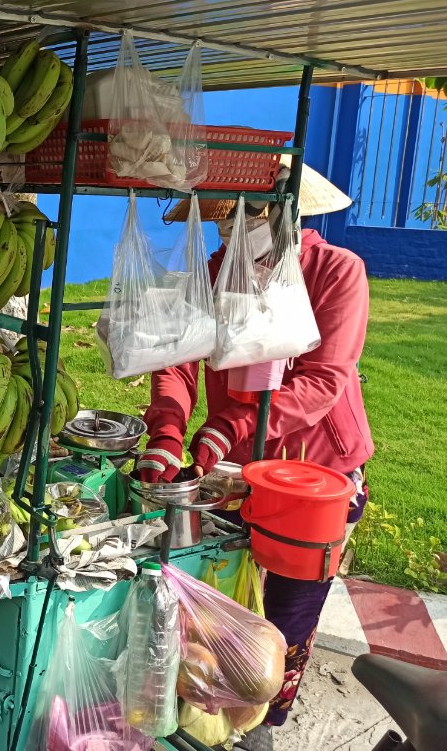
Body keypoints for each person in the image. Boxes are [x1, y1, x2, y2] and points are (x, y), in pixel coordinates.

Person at [137, 160, 373, 751]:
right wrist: (168, 430)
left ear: (280, 213)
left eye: (244, 216)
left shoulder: (337, 272)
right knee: (223, 596)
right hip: (230, 469)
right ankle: (216, 706)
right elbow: (177, 361)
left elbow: (324, 380)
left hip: (316, 472)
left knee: (290, 614)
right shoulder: (215, 272)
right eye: (220, 219)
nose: (230, 231)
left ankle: (264, 723)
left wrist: (232, 424)